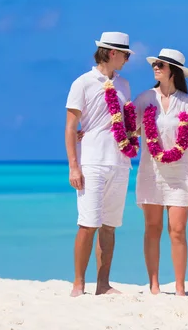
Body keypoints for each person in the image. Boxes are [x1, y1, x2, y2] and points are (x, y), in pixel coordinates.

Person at [133, 48, 188, 296]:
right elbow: (131, 128)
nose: (155, 67)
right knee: (152, 228)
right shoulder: (145, 98)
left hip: (180, 173)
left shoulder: (187, 102)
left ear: (174, 71)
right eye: (155, 63)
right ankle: (154, 286)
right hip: (152, 171)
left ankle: (180, 288)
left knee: (178, 230)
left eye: (161, 64)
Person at [64, 31, 137, 297]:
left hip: (120, 163)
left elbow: (126, 123)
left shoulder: (124, 85)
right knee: (88, 223)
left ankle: (103, 284)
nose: (128, 59)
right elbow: (71, 127)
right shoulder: (82, 83)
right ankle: (78, 284)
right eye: (126, 54)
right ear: (112, 52)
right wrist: (74, 166)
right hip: (92, 162)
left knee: (109, 225)